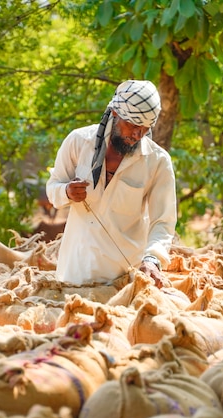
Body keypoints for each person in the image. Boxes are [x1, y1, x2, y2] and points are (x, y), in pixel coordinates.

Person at [46, 79, 177, 287]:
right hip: (74, 272)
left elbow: (163, 221)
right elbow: (53, 190)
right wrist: (67, 192)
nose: (137, 135)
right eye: (132, 125)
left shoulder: (158, 161)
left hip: (125, 279)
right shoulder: (78, 142)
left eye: (144, 129)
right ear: (115, 114)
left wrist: (152, 259)